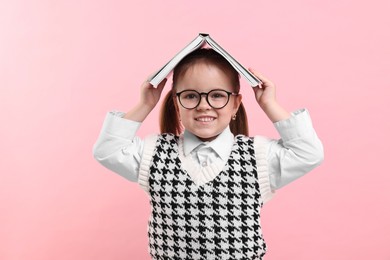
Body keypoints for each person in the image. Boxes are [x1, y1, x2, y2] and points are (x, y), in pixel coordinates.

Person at [93, 48, 324, 260]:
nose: (204, 105)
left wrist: (269, 103)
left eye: (217, 95)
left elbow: (309, 153)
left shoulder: (259, 156)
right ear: (176, 102)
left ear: (235, 104)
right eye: (191, 96)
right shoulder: (154, 153)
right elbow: (107, 150)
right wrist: (145, 104)